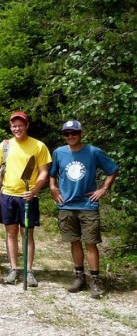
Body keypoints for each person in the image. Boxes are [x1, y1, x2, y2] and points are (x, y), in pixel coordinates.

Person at [49, 120, 118, 298]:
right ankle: (79, 277)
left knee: (90, 243)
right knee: (74, 241)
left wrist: (103, 189)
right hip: (67, 205)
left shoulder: (93, 152)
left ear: (81, 133)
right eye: (67, 134)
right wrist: (53, 188)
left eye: (74, 133)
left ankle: (95, 279)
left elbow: (113, 169)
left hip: (88, 205)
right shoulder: (59, 152)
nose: (70, 137)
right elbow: (52, 174)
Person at [0, 111, 51, 287]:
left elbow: (44, 172)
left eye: (20, 125)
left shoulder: (39, 146)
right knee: (11, 234)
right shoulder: (5, 145)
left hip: (28, 196)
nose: (17, 128)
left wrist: (34, 190)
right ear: (10, 127)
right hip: (8, 195)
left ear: (26, 126)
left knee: (27, 235)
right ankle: (14, 269)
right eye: (14, 126)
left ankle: (29, 270)